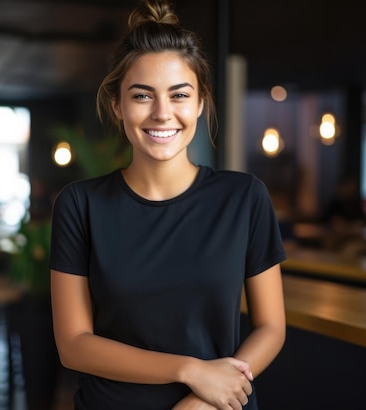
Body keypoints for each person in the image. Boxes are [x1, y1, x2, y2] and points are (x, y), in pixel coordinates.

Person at [49, 1, 287, 408]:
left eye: (179, 95)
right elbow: (74, 345)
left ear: (199, 103)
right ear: (117, 106)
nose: (162, 114)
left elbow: (271, 327)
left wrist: (205, 399)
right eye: (142, 96)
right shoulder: (80, 205)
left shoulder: (244, 197)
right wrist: (190, 370)